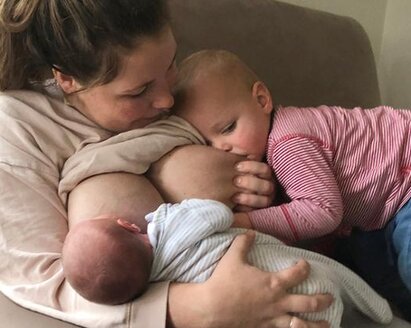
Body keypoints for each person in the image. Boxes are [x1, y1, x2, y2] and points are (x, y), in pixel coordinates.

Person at [0, 1, 333, 328]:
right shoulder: (16, 127)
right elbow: (43, 282)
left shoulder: (169, 88)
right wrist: (205, 307)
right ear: (67, 78)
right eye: (139, 91)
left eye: (171, 64)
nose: (167, 101)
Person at [171, 48, 411, 320]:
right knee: (377, 276)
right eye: (208, 144)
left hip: (405, 175)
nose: (223, 148)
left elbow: (322, 211)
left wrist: (242, 222)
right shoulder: (269, 150)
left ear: (262, 100)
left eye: (227, 128)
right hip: (382, 209)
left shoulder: (288, 141)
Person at [62, 198, 393, 328]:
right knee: (332, 281)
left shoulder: (156, 282)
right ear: (127, 225)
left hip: (283, 315)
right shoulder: (169, 223)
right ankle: (381, 311)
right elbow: (218, 215)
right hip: (292, 276)